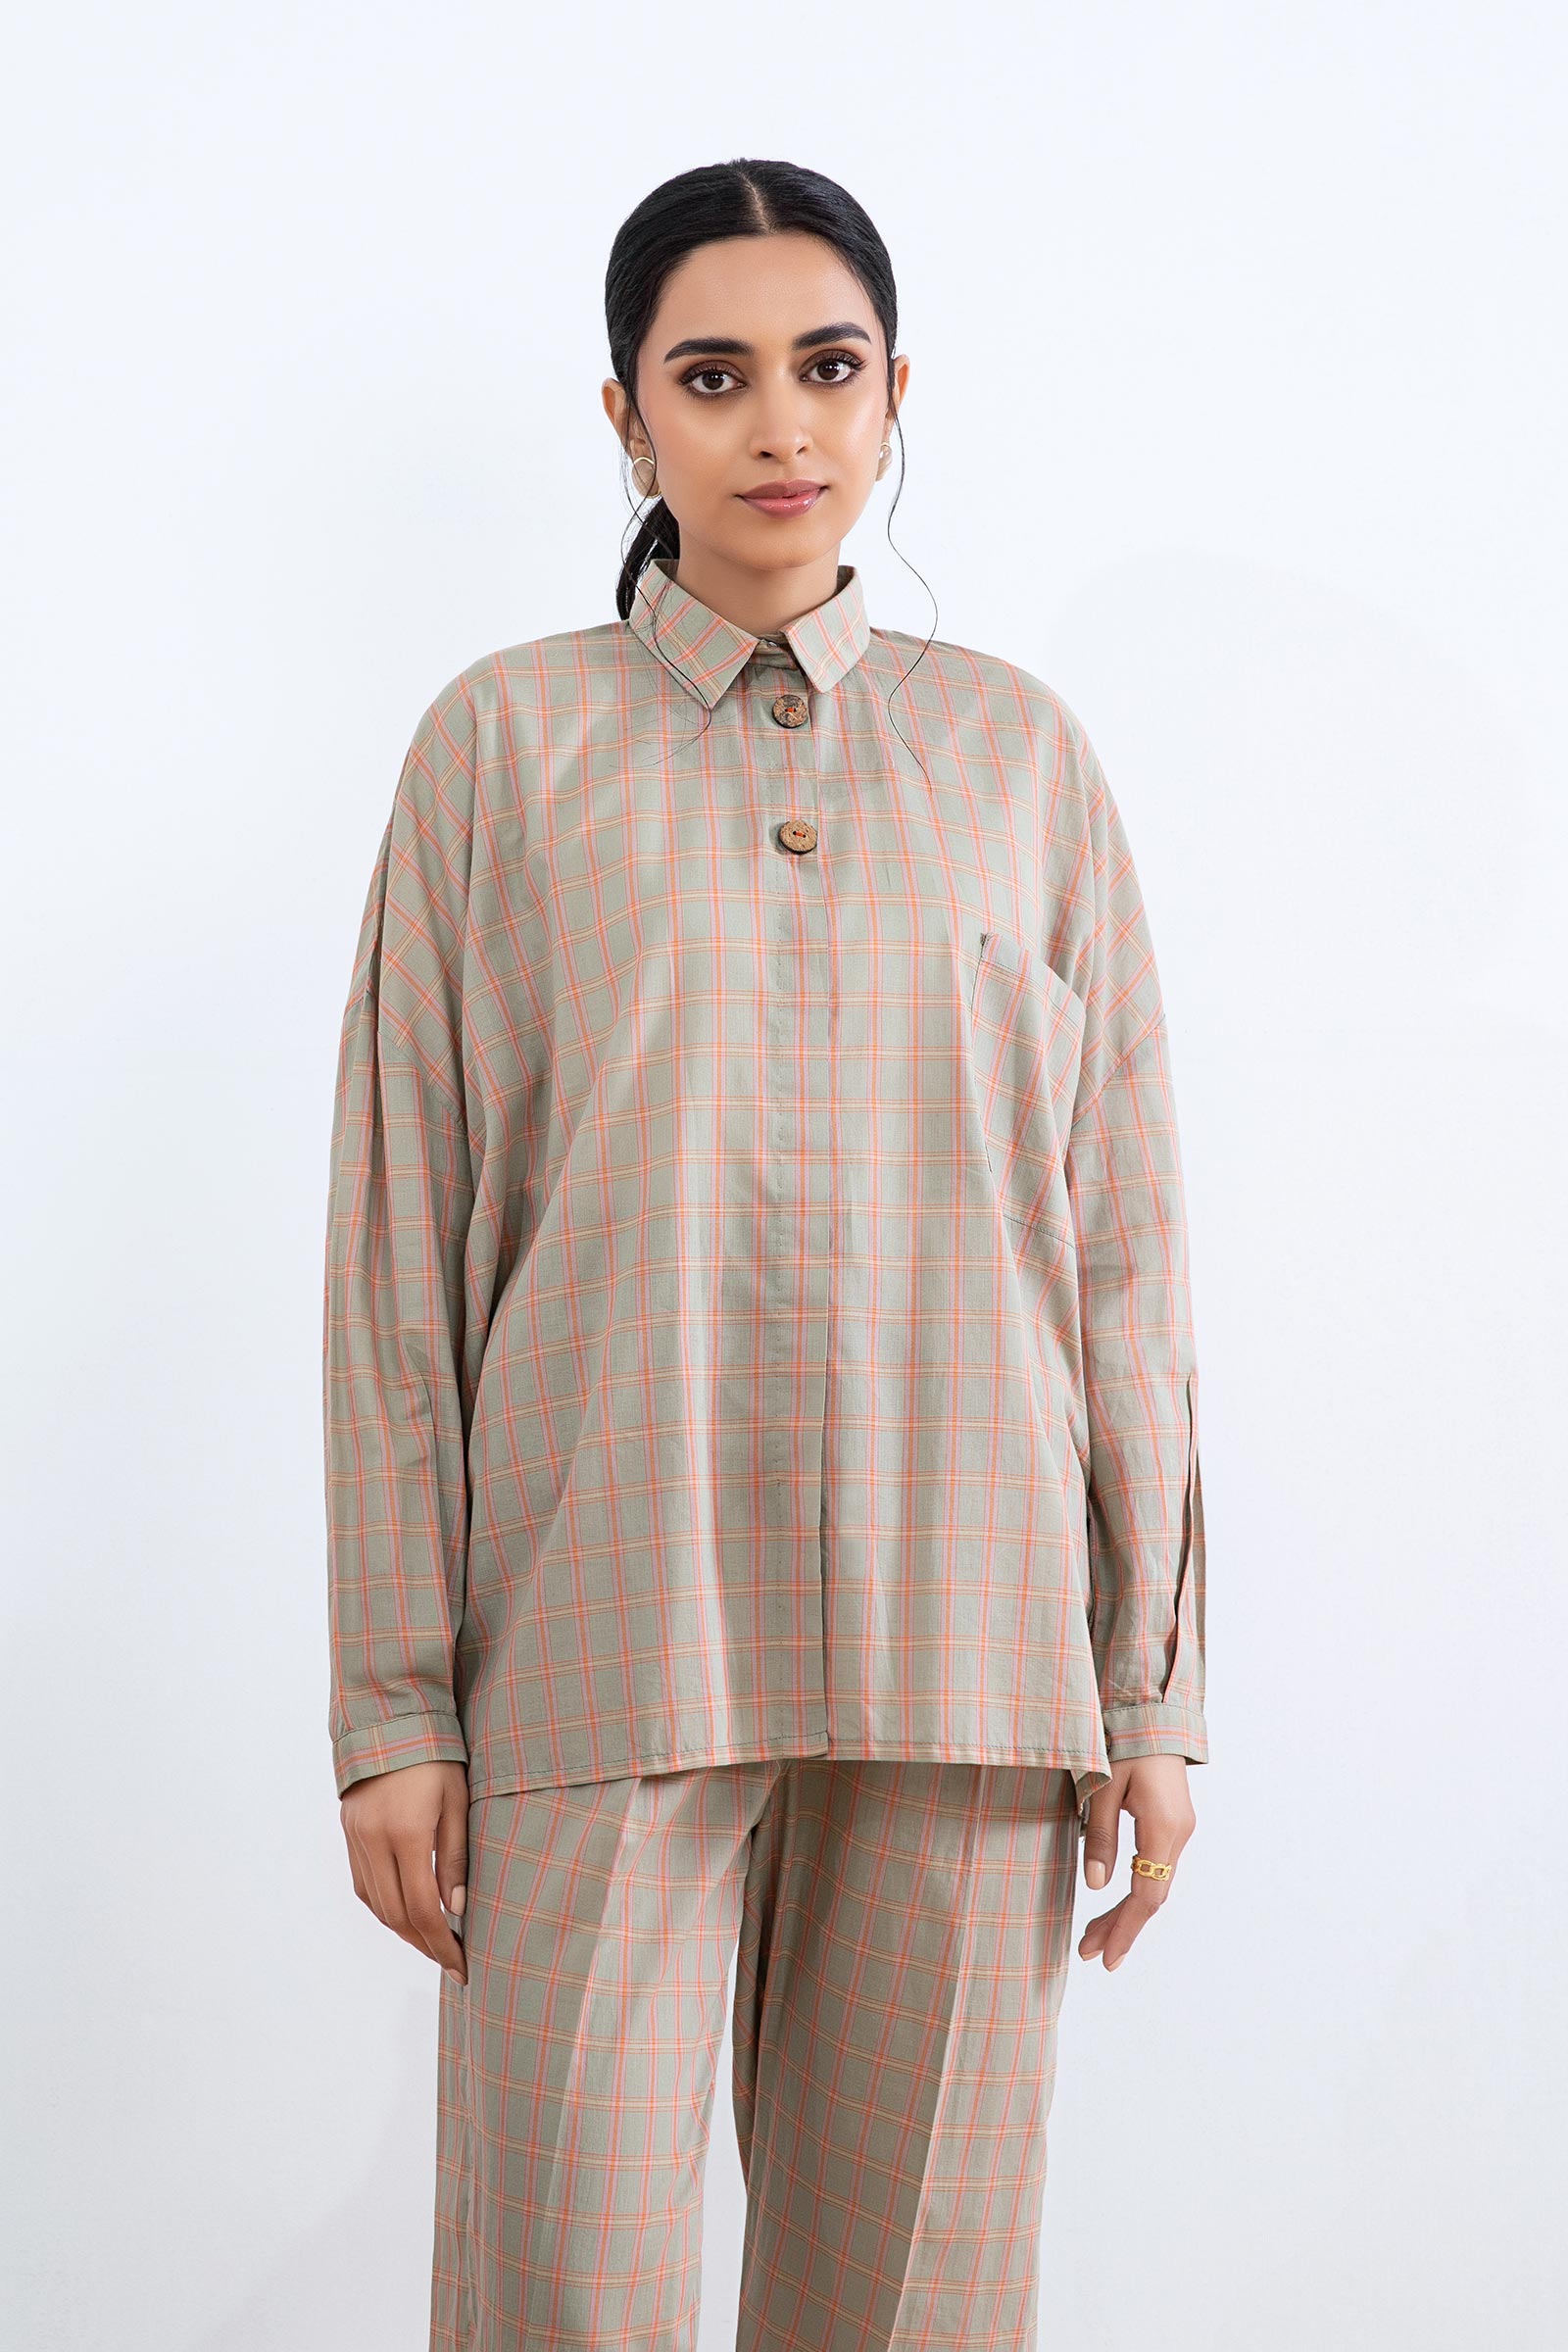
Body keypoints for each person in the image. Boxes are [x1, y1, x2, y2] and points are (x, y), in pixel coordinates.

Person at [322, 155, 1207, 2352]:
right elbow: (399, 1257)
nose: (779, 426)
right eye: (711, 378)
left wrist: (1151, 1689)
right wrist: (394, 1708)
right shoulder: (502, 748)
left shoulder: (1016, 757)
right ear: (626, 417)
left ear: (897, 392)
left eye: (826, 368)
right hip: (602, 1634)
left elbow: (1119, 1250)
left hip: (966, 1646)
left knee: (911, 2308)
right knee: (561, 2298)